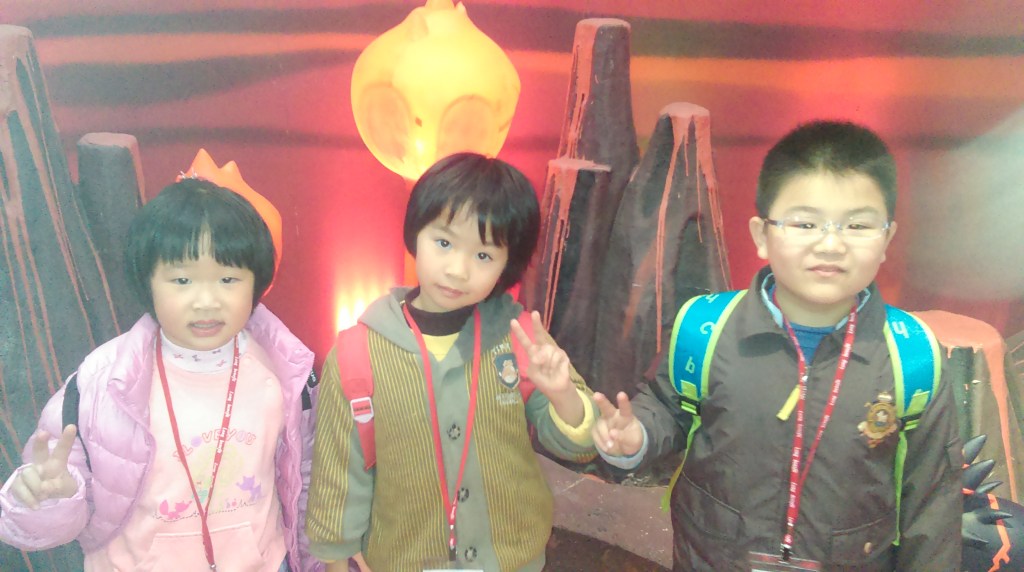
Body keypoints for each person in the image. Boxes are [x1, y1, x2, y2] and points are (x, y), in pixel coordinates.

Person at [593, 120, 963, 571]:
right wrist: (637, 436)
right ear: (761, 236)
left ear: (886, 239)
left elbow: (933, 506)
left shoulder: (911, 357)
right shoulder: (706, 329)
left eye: (857, 225)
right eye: (805, 223)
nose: (831, 244)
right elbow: (667, 406)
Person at [0, 177, 322, 571]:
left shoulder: (287, 374)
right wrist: (49, 500)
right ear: (147, 281)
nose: (206, 301)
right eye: (182, 280)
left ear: (257, 282)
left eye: (228, 279)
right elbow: (45, 520)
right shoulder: (102, 383)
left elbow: (306, 485)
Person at [306, 152, 598, 572]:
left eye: (484, 256)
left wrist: (564, 395)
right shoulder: (358, 353)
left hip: (511, 557)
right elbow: (339, 466)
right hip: (403, 559)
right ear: (416, 233)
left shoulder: (519, 337)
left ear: (507, 264)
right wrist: (336, 555)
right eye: (444, 243)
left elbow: (579, 445)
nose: (458, 270)